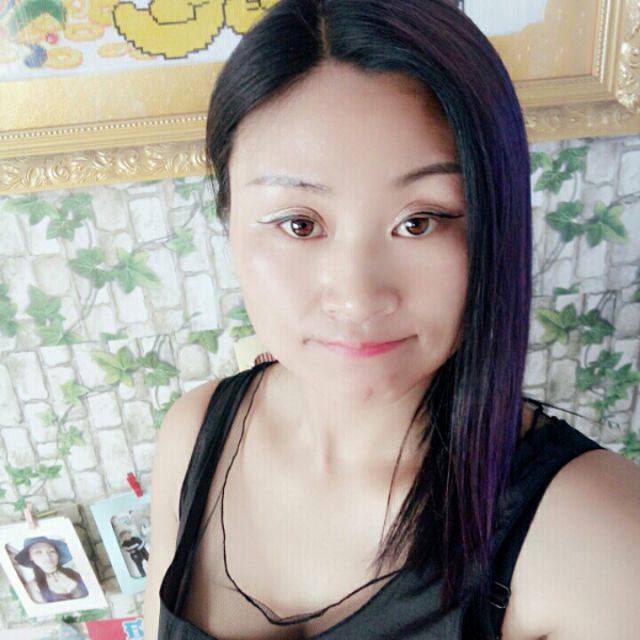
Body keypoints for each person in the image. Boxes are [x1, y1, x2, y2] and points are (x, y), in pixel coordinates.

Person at [144, 1, 640, 638]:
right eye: (299, 224)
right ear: (229, 218)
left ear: (496, 221)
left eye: (420, 221)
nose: (356, 298)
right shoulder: (193, 434)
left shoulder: (601, 538)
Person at [13, 536, 88, 604]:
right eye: (38, 552)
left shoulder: (74, 572)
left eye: (51, 551)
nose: (47, 557)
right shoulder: (33, 587)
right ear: (30, 557)